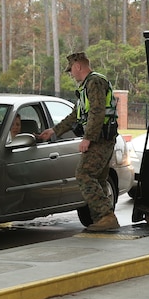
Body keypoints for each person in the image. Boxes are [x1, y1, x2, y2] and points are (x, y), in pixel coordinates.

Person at [39, 52, 120, 232]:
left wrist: (88, 138)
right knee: (98, 179)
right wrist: (54, 130)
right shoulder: (86, 87)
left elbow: (97, 112)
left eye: (71, 71)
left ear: (78, 66)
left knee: (84, 174)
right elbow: (76, 115)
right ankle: (103, 218)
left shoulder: (94, 82)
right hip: (103, 138)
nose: (71, 74)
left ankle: (106, 216)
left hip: (100, 139)